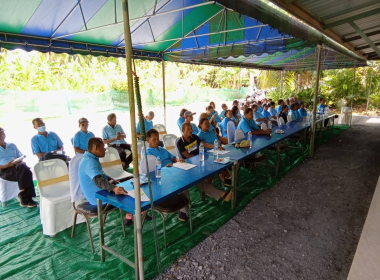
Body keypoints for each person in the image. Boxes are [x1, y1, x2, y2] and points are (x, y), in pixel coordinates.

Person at [176, 123, 232, 202]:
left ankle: (212, 187)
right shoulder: (180, 142)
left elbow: (204, 144)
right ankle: (218, 189)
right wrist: (200, 158)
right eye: (188, 129)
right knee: (203, 178)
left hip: (200, 160)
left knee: (215, 166)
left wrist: (215, 146)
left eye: (191, 128)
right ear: (183, 130)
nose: (190, 130)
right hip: (190, 165)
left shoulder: (194, 137)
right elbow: (187, 156)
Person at [143, 129, 189, 221]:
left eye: (158, 138)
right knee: (182, 187)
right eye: (154, 139)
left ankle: (182, 209)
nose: (157, 141)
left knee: (185, 183)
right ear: (148, 140)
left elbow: (173, 158)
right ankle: (182, 211)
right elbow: (152, 169)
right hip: (162, 177)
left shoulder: (162, 149)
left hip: (173, 171)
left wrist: (177, 160)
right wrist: (165, 167)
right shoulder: (147, 153)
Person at [79, 137, 128, 207]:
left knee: (124, 187)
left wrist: (114, 181)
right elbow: (99, 181)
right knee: (127, 195)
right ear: (96, 147)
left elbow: (102, 175)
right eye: (103, 147)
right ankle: (131, 216)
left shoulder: (91, 158)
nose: (105, 149)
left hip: (101, 192)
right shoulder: (89, 162)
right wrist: (113, 188)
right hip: (98, 199)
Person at [0, 128, 37, 207]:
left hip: (17, 167)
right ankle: (27, 197)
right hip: (4, 170)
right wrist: (7, 165)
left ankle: (24, 196)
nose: (1, 136)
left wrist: (19, 160)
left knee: (22, 166)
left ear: (5, 135)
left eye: (2, 134)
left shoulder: (11, 145)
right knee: (27, 171)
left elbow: (20, 156)